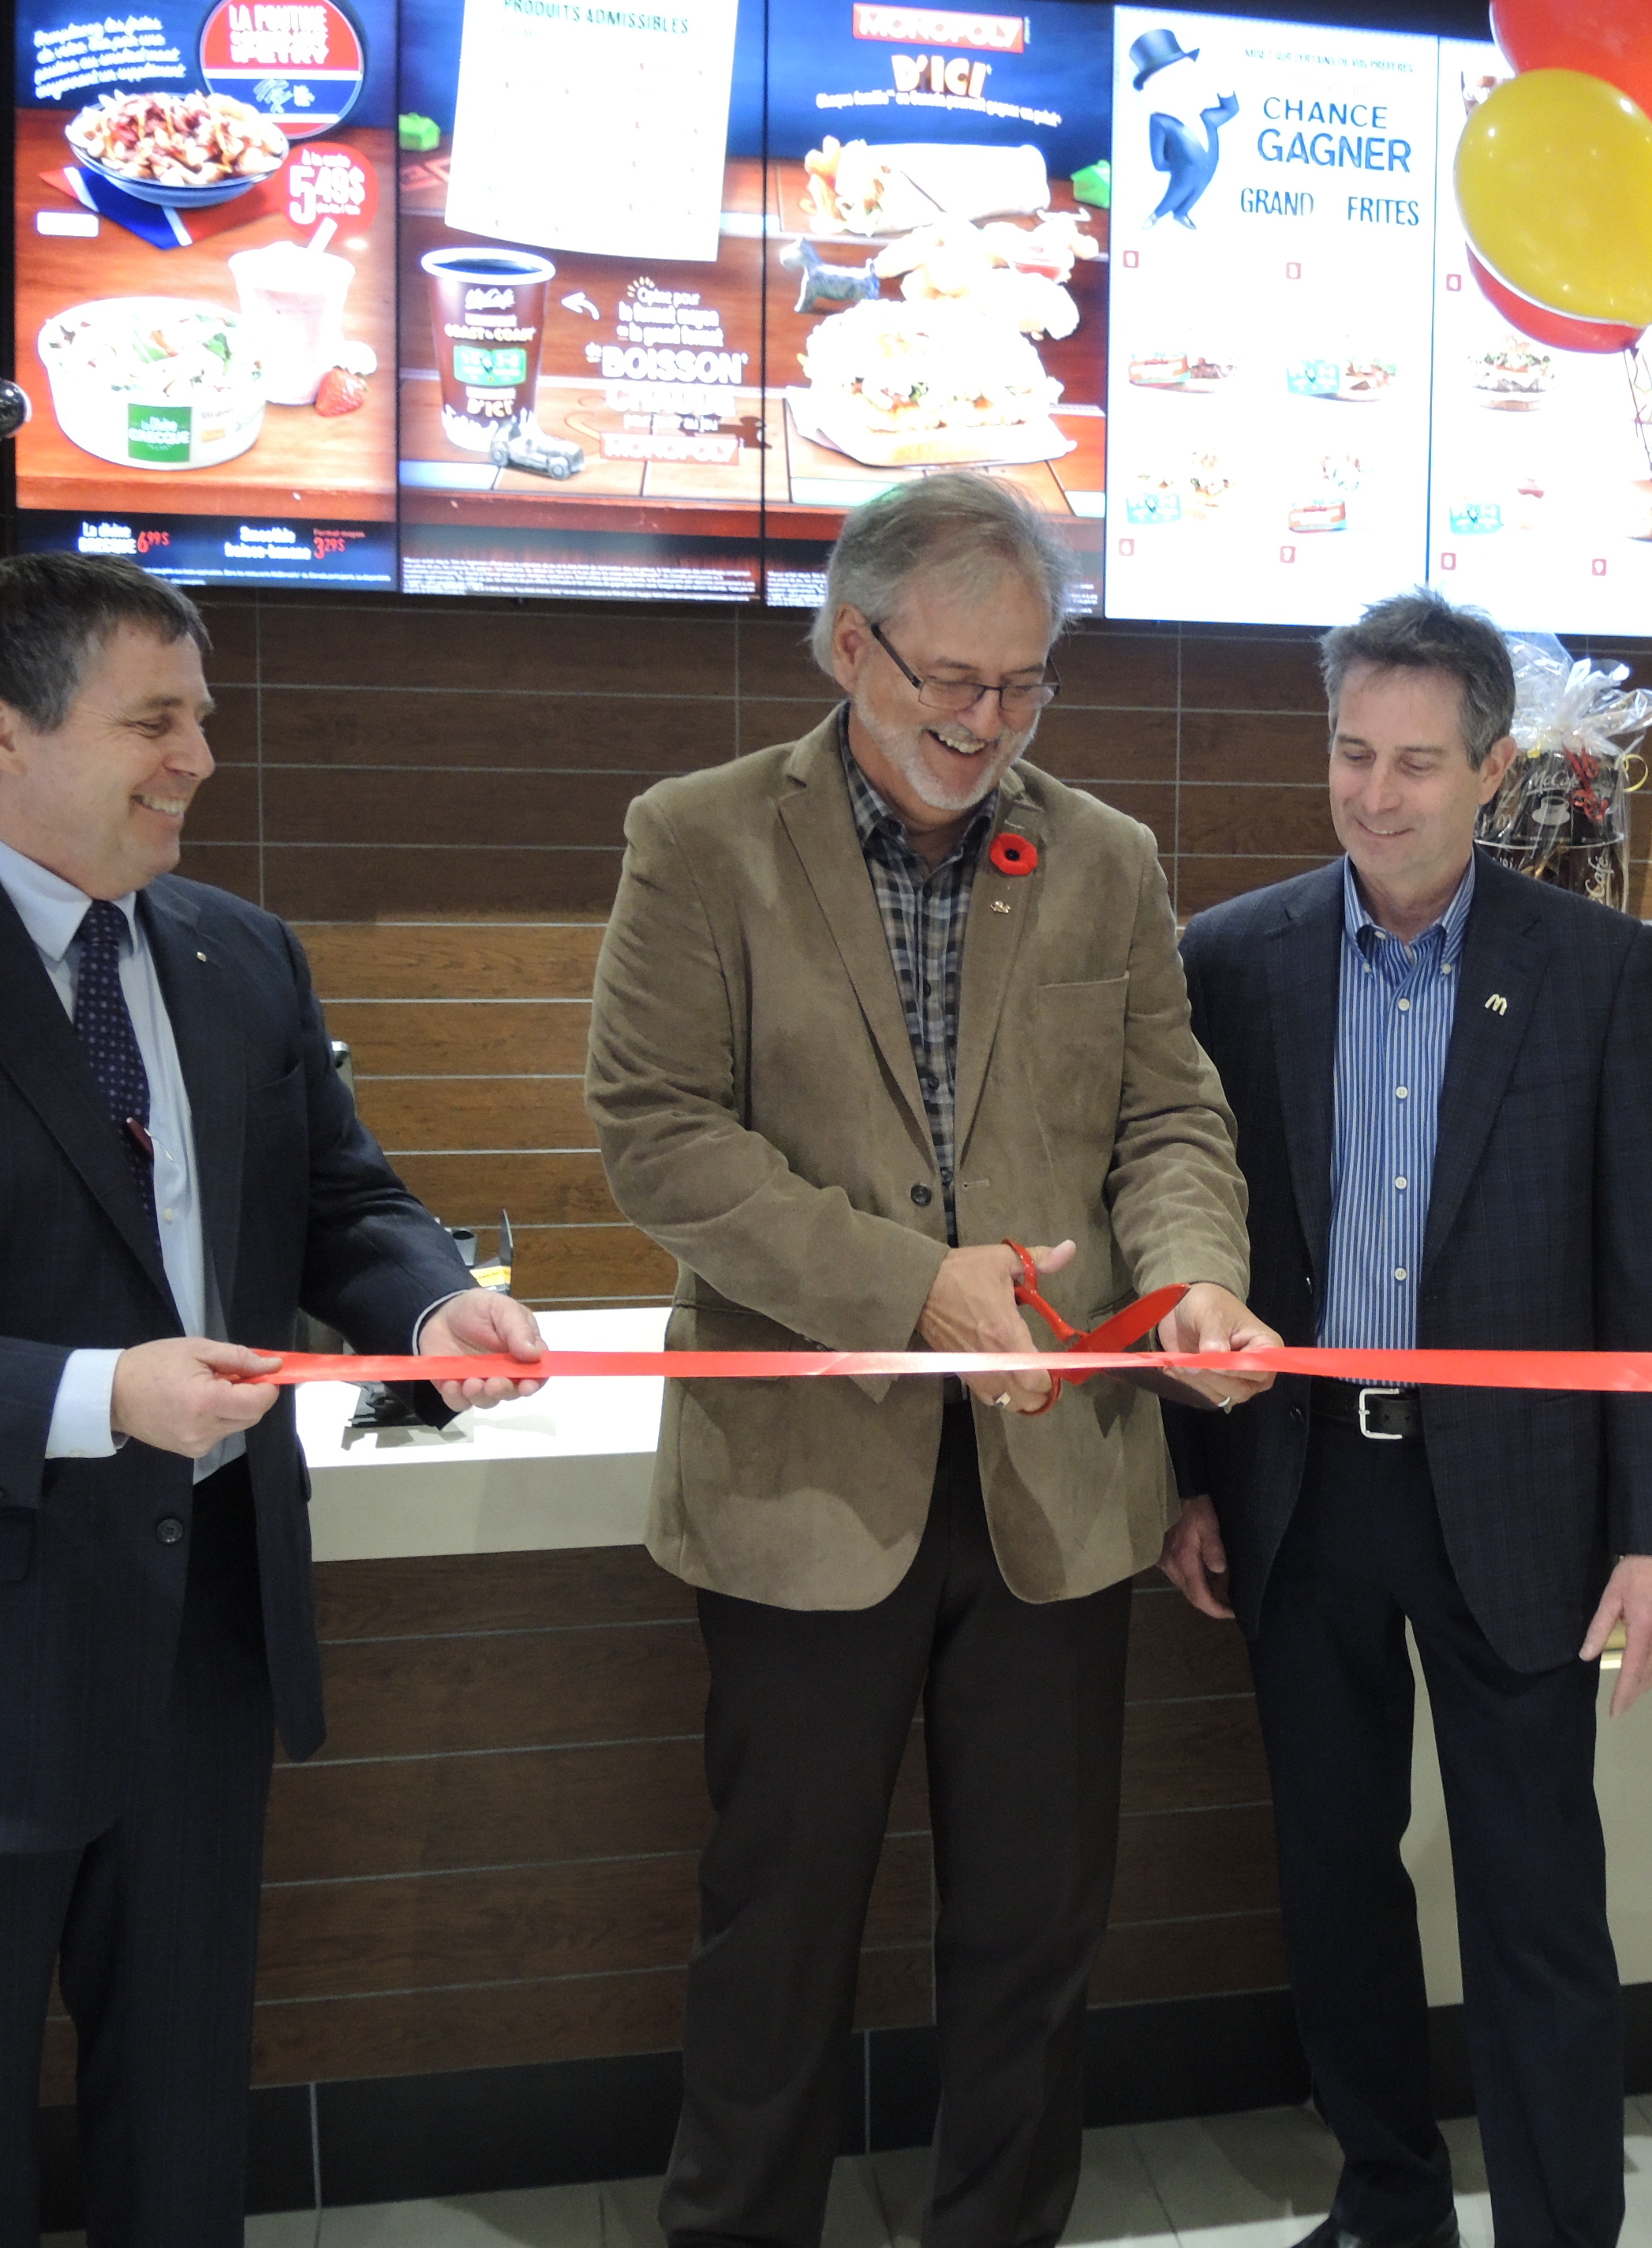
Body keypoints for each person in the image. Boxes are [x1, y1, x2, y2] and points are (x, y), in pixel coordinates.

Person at [0, 553, 547, 2247]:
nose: (198, 759)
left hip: (201, 1642)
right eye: (154, 720)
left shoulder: (238, 956)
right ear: (1, 730)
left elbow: (341, 1204)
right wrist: (97, 1395)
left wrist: (434, 1298)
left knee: (181, 2111)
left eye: (201, 718)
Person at [584, 474, 1272, 2248]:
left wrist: (1192, 1279)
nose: (983, 723)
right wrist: (912, 1288)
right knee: (778, 1923)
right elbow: (658, 1133)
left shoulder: (1101, 858)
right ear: (845, 643)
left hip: (1060, 1480)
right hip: (810, 1486)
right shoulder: (703, 836)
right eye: (947, 680)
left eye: (1023, 686)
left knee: (1035, 1933)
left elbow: (1168, 1116)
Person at [1161, 593, 1652, 2248]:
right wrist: (1195, 1486)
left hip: (1522, 1500)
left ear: (1487, 772)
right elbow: (1195, 1233)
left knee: (1536, 1898)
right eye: (1348, 753)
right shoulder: (1230, 961)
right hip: (1303, 1495)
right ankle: (1385, 2197)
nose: (1373, 794)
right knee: (1335, 1880)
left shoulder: (1594, 970)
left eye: (1412, 762)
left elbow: (1649, 1271)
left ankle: (1559, 2223)